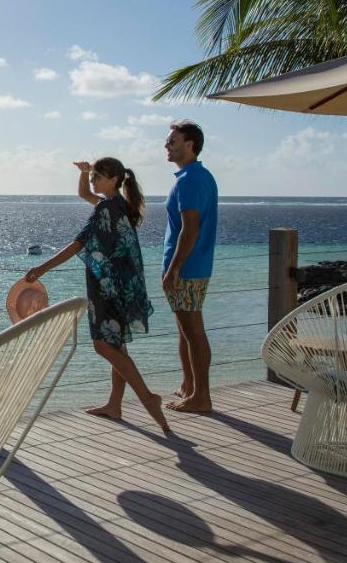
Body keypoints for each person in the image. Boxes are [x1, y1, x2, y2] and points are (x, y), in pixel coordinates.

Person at [23, 158, 169, 433]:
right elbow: (84, 195)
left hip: (107, 287)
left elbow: (79, 242)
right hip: (124, 285)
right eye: (93, 177)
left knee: (103, 346)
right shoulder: (120, 205)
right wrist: (83, 173)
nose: (93, 181)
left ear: (113, 179)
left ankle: (147, 397)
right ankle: (114, 405)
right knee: (117, 346)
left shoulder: (105, 208)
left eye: (97, 176)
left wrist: (42, 268)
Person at [161, 120, 218, 413]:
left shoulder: (189, 180)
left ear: (189, 145)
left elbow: (189, 229)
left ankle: (201, 396)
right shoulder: (199, 176)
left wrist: (173, 269)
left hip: (187, 268)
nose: (166, 145)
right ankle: (190, 386)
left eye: (172, 141)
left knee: (193, 330)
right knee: (186, 328)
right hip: (195, 266)